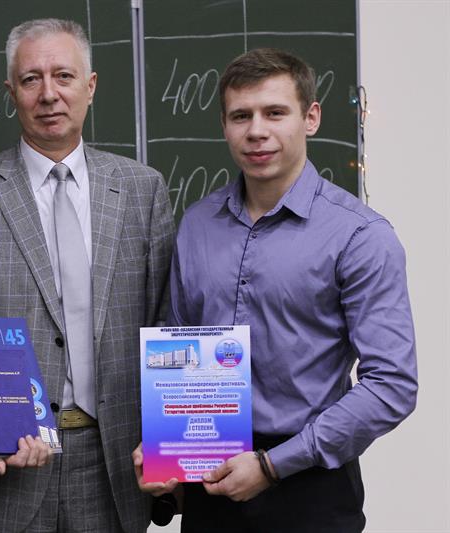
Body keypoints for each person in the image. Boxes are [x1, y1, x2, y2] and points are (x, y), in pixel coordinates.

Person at [133, 48, 418, 532]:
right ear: (224, 125)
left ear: (311, 118)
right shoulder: (197, 225)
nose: (256, 131)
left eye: (275, 112)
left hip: (311, 487)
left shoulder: (360, 236)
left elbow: (392, 385)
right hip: (209, 482)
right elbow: (179, 351)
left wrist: (272, 465)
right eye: (241, 116)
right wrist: (166, 453)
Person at [0, 18, 174, 533]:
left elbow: (163, 326)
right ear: (11, 92)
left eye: (64, 76)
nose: (48, 94)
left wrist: (170, 446)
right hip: (3, 467)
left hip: (112, 464)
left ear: (91, 86)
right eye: (31, 79)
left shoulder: (143, 190)